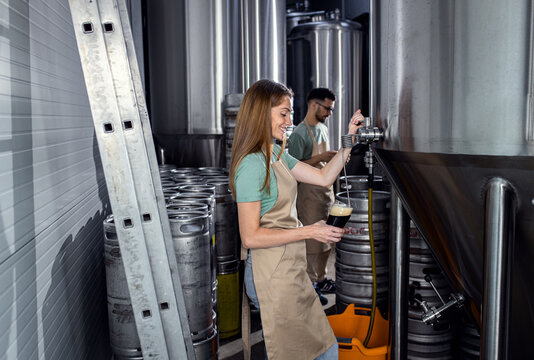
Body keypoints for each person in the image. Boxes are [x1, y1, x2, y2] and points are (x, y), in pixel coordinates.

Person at [229, 79, 363, 360]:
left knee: (318, 349)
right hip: (270, 273)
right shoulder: (251, 165)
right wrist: (310, 231)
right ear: (261, 113)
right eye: (283, 113)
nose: (289, 121)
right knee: (312, 351)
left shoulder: (276, 154)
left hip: (289, 267)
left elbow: (324, 177)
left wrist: (350, 137)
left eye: (289, 113)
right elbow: (250, 236)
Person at [288, 88, 355, 305]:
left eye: (332, 109)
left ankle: (322, 277)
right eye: (328, 108)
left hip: (325, 193)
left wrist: (334, 159)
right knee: (312, 243)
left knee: (327, 241)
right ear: (314, 105)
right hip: (308, 195)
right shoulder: (299, 133)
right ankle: (309, 284)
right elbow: (292, 167)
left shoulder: (323, 129)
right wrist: (321, 157)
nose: (329, 113)